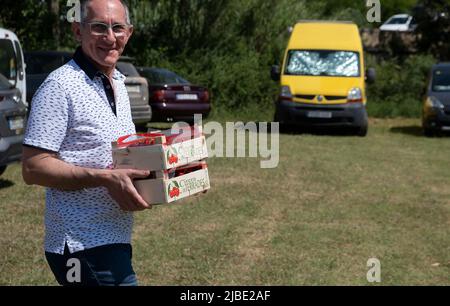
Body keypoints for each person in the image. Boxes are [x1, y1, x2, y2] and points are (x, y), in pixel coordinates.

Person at [22, 0, 151, 286]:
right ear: (78, 31)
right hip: (79, 245)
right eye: (98, 27)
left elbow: (114, 152)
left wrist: (171, 169)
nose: (109, 37)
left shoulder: (118, 82)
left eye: (117, 27)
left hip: (113, 237)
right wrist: (104, 179)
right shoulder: (59, 86)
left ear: (128, 33)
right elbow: (33, 168)